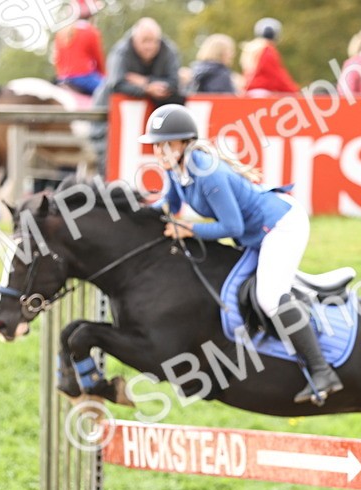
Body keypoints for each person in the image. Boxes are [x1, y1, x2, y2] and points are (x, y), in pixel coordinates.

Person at [141, 104, 342, 404]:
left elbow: (231, 226)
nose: (158, 152)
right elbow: (168, 206)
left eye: (165, 144)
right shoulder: (178, 170)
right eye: (155, 145)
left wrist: (190, 230)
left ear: (184, 144)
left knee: (270, 297)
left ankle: (322, 370)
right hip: (256, 232)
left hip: (281, 225)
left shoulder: (208, 174)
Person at [90, 17, 183, 175]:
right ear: (134, 39)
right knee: (109, 164)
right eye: (145, 41)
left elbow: (174, 83)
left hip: (148, 125)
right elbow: (116, 83)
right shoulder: (121, 52)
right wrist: (148, 89)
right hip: (111, 123)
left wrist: (144, 82)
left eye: (154, 41)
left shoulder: (169, 50)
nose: (150, 46)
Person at [53, 0, 105, 97]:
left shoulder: (61, 32)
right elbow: (98, 60)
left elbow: (57, 60)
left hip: (62, 78)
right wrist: (104, 76)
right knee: (111, 90)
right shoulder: (91, 32)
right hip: (83, 77)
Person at [242, 17, 298, 94]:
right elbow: (277, 75)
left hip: (250, 92)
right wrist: (294, 91)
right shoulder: (267, 50)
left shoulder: (252, 49)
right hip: (263, 93)